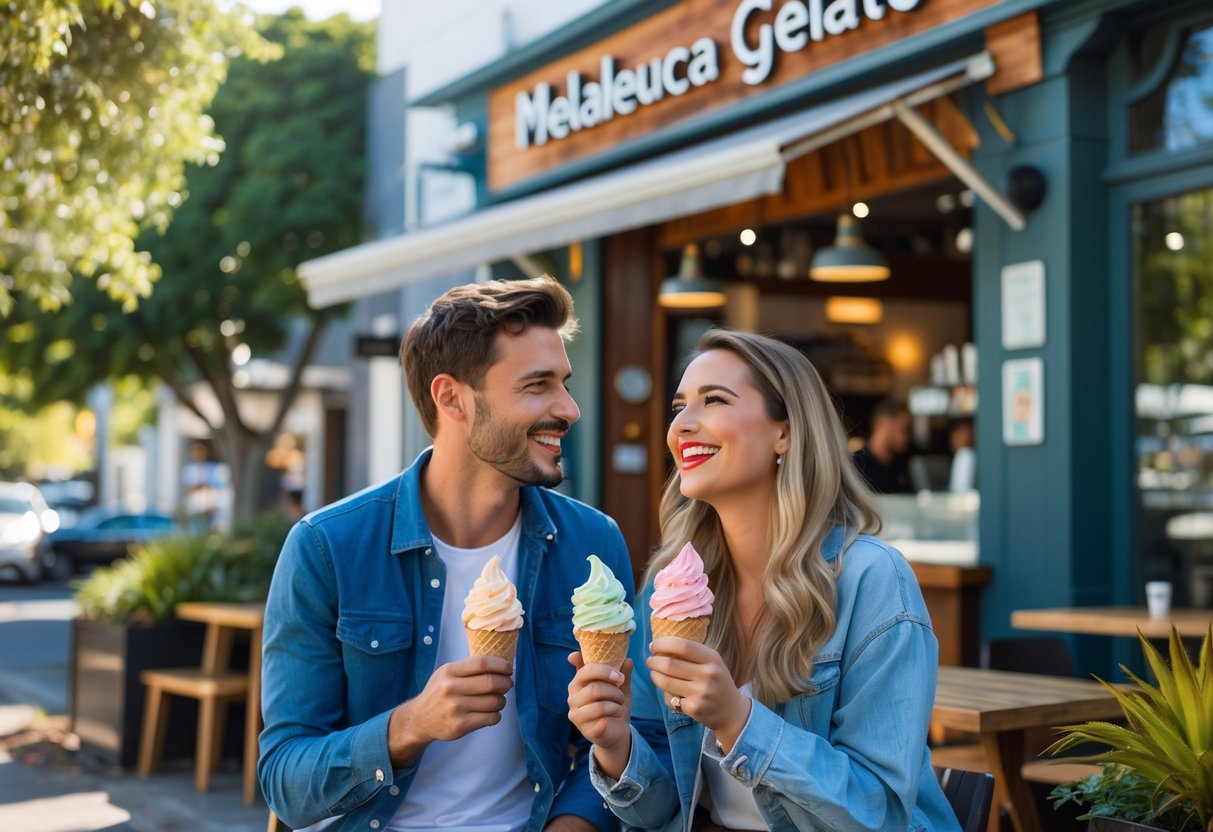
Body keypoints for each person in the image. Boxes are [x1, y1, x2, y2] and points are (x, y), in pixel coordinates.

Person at [259, 275, 634, 832]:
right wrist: (410, 725)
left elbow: (620, 741)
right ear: (451, 397)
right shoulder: (326, 547)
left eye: (565, 383)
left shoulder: (592, 546)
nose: (569, 408)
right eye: (537, 386)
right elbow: (284, 780)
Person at [567, 330, 959, 832]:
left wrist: (737, 719)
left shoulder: (873, 580)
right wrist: (616, 746)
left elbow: (879, 812)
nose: (682, 425)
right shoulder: (671, 589)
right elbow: (664, 811)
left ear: (786, 433)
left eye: (713, 400)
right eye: (679, 405)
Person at [852, 398, 914, 494]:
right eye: (904, 429)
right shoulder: (856, 466)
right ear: (884, 425)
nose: (907, 437)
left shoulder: (904, 465)